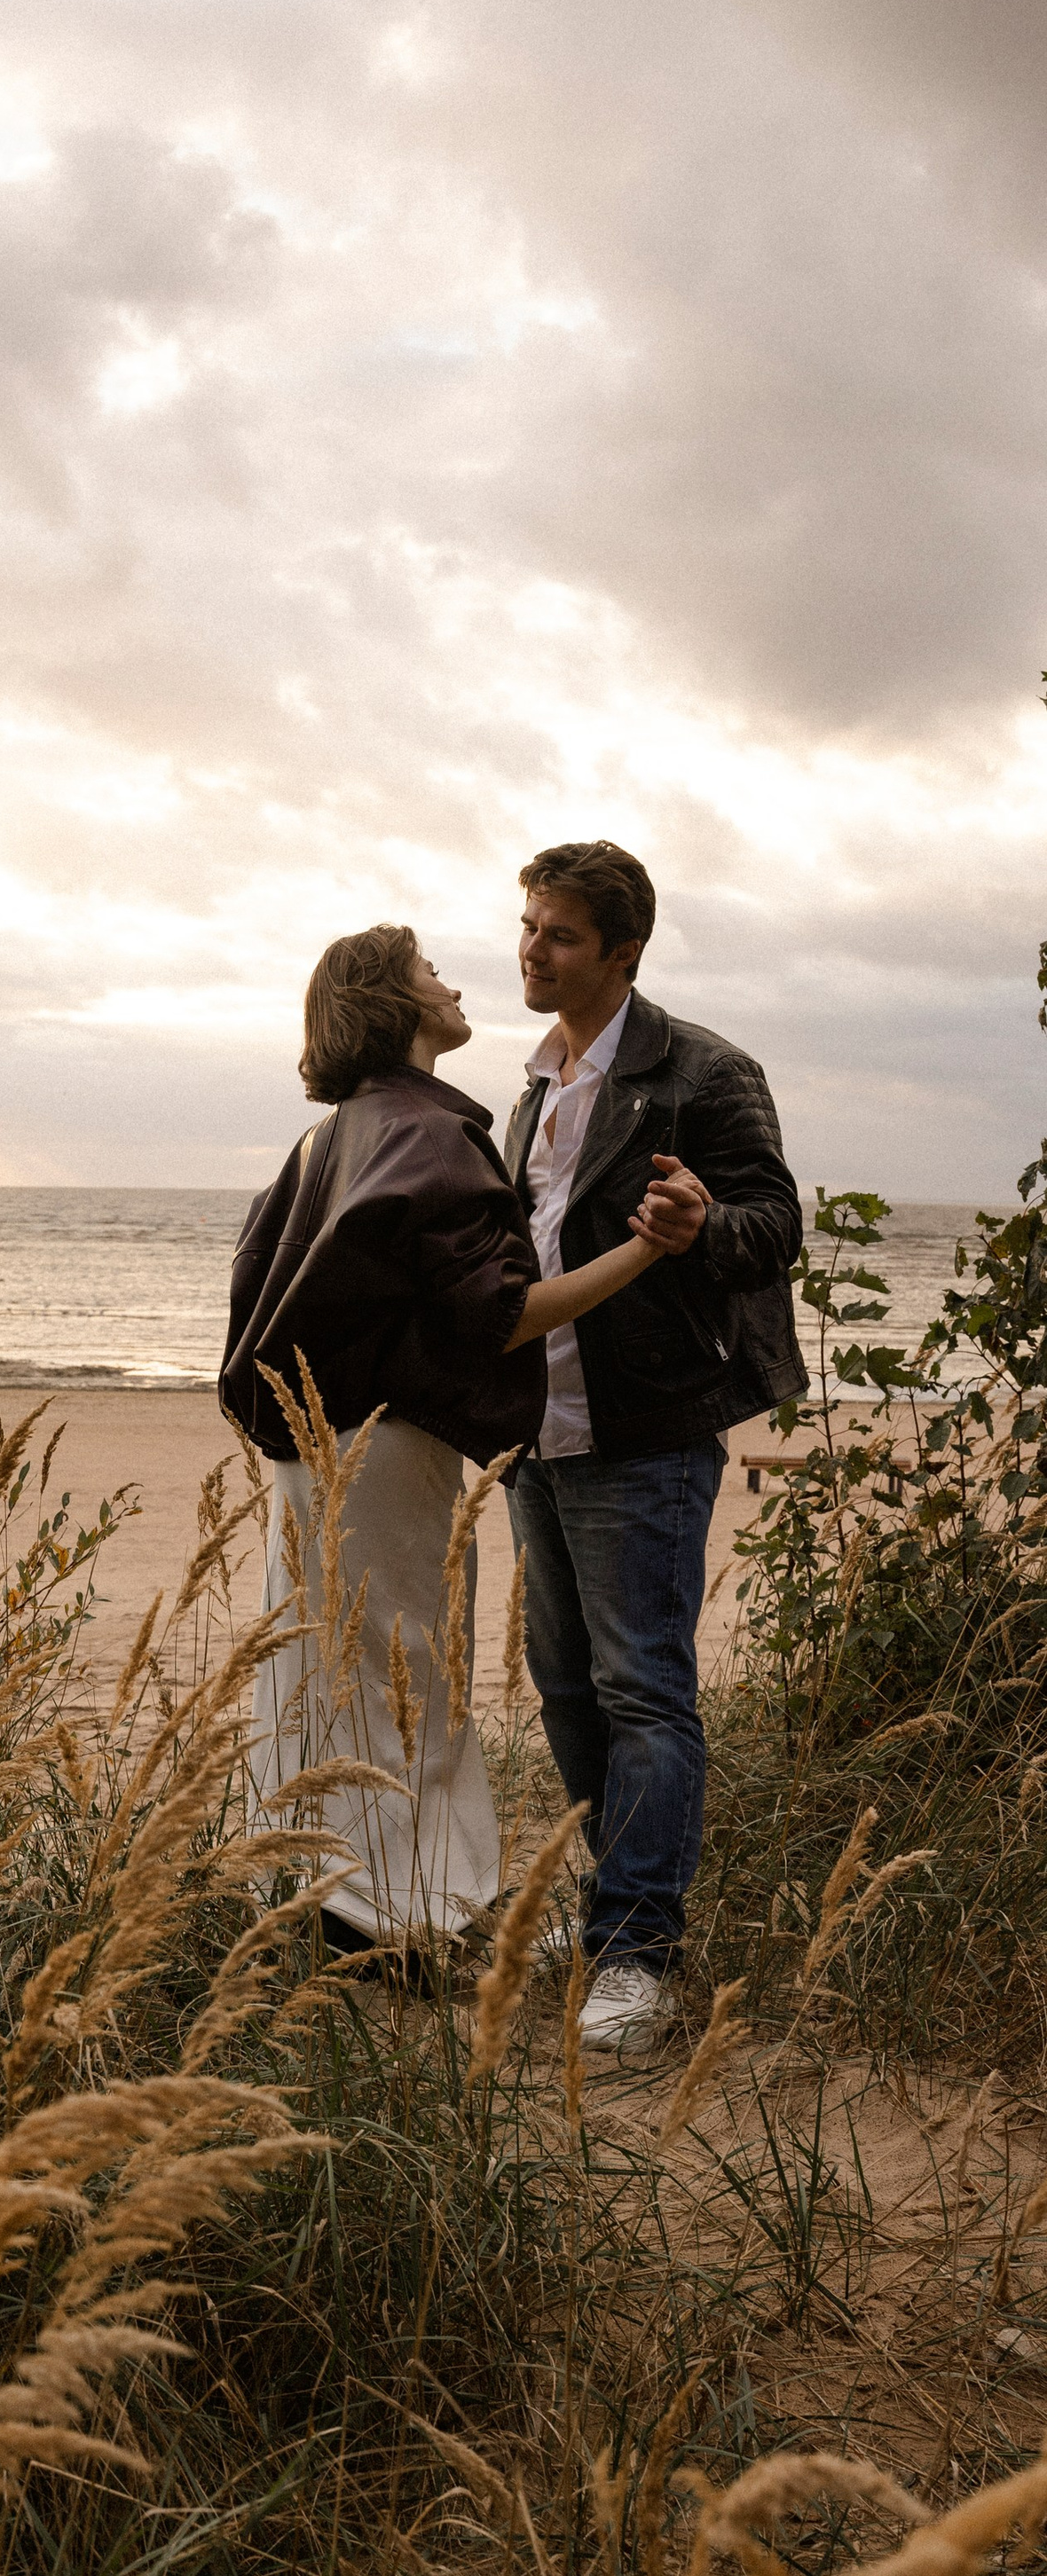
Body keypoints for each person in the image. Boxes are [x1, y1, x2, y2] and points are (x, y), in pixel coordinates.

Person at [220, 923, 708, 1973]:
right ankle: (405, 1919)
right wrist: (644, 1248)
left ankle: (326, 1898)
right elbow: (504, 1313)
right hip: (389, 1448)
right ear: (396, 1007)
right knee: (409, 1673)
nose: (449, 980)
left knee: (321, 1668)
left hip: (310, 1448)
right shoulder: (430, 1133)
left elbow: (256, 1294)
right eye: (426, 971)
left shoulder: (328, 1137)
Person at [504, 841, 804, 2056]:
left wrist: (700, 1226)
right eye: (527, 925)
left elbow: (774, 1221)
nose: (531, 949)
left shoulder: (703, 1071)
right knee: (567, 1688)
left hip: (649, 1426)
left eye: (560, 934)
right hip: (543, 1430)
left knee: (644, 1688)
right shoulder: (529, 1085)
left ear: (623, 951)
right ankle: (608, 1911)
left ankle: (638, 1954)